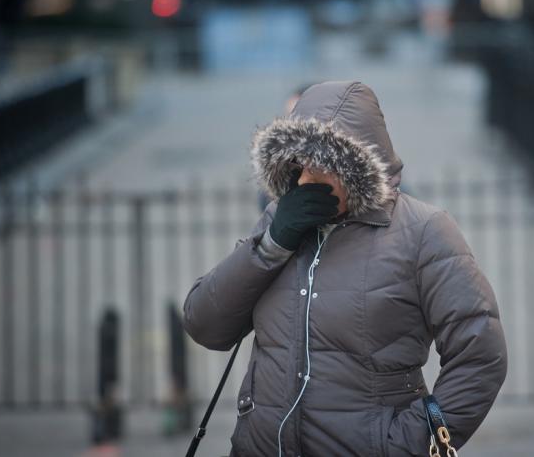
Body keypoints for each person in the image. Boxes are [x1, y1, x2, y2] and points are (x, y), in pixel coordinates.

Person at [182, 80, 507, 456]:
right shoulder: (280, 220)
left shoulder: (424, 232)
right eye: (297, 164)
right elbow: (204, 324)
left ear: (356, 168)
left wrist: (406, 444)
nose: (304, 179)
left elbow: (480, 357)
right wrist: (271, 244)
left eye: (318, 166)